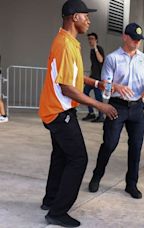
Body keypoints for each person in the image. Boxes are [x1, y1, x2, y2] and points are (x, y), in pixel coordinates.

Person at [38, 1, 118, 227]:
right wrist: (100, 105)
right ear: (74, 17)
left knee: (61, 156)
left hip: (55, 110)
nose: (89, 20)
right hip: (59, 111)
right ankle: (57, 211)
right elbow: (66, 87)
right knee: (78, 158)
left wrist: (97, 83)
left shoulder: (70, 41)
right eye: (86, 16)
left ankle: (50, 200)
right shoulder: (64, 44)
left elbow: (74, 76)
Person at [88, 22, 144, 199]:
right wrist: (117, 87)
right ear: (124, 37)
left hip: (137, 108)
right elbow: (105, 87)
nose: (136, 42)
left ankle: (131, 184)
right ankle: (97, 176)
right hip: (117, 106)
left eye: (139, 40)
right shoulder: (112, 58)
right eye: (133, 39)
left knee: (136, 147)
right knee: (109, 143)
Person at [82, 32, 105, 122]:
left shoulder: (99, 49)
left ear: (96, 40)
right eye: (89, 39)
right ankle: (91, 113)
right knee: (85, 92)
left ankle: (101, 116)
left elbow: (100, 60)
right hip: (92, 77)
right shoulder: (91, 51)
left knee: (98, 97)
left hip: (99, 78)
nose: (90, 41)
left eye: (92, 39)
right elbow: (94, 65)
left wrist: (95, 47)